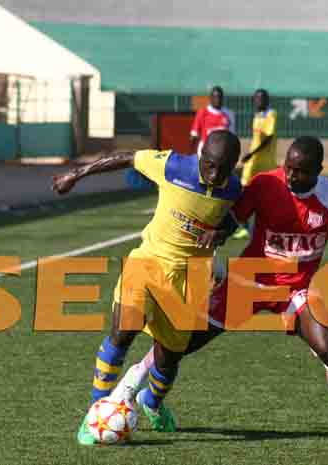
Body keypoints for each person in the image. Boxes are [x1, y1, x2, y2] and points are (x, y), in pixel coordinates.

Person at [115, 136, 328, 446]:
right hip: (248, 283)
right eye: (288, 167)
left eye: (300, 171)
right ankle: (130, 387)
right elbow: (233, 218)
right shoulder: (265, 184)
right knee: (181, 341)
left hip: (297, 290)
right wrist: (218, 236)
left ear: (318, 171)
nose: (291, 176)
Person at [51, 130, 242, 445]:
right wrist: (77, 173)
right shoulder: (173, 166)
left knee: (169, 358)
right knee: (123, 333)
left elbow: (235, 219)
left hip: (190, 278)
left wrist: (221, 233)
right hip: (148, 263)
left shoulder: (233, 188)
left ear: (233, 165)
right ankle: (95, 412)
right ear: (200, 154)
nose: (213, 174)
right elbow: (127, 157)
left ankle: (151, 403)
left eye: (222, 168)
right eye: (208, 164)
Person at [232, 88, 278, 239]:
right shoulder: (257, 115)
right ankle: (245, 226)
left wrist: (251, 153)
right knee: (242, 192)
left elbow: (268, 138)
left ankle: (266, 228)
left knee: (267, 198)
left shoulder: (271, 114)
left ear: (267, 100)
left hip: (266, 164)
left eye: (261, 98)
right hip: (252, 163)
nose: (258, 101)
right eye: (256, 99)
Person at [190, 86, 236, 155]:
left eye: (219, 97)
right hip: (205, 150)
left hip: (222, 152)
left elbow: (232, 136)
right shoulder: (202, 113)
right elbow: (194, 135)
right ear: (210, 98)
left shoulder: (229, 114)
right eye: (215, 97)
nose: (217, 99)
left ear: (222, 98)